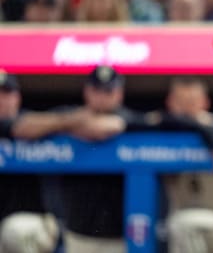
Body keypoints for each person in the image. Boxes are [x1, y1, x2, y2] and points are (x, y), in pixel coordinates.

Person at [12, 65, 134, 253]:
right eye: (96, 90)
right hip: (77, 233)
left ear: (119, 93)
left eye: (108, 91)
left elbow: (104, 128)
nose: (101, 96)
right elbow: (21, 127)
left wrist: (71, 126)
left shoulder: (129, 117)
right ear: (87, 91)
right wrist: (70, 122)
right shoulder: (70, 115)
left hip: (119, 237)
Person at [156, 77, 213, 253]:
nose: (186, 109)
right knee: (181, 224)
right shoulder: (165, 129)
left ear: (205, 102)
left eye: (191, 102)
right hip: (188, 217)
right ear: (169, 102)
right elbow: (159, 121)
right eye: (180, 102)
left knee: (180, 224)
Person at [0, 70, 59, 253]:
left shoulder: (34, 122)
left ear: (17, 96)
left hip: (30, 222)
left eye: (6, 93)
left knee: (16, 230)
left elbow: (21, 126)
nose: (2, 99)